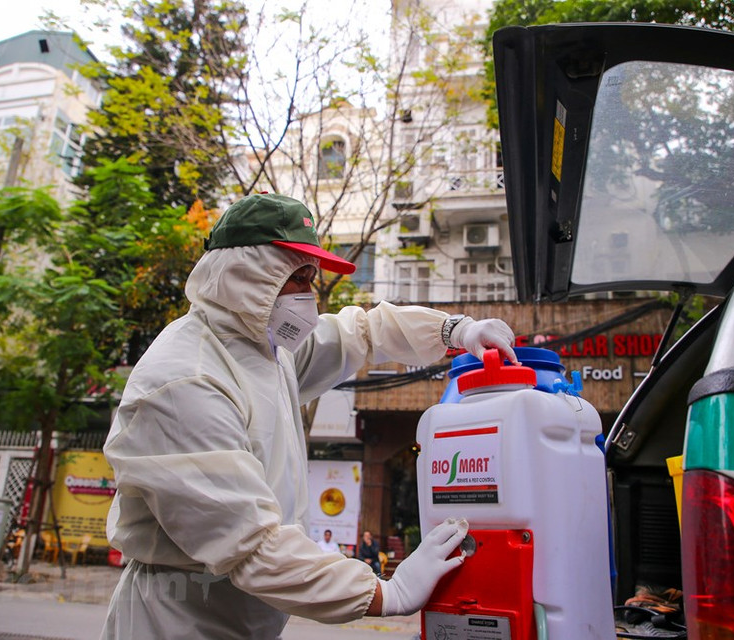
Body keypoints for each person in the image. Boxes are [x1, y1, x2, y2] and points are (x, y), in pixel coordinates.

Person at [100, 193, 518, 639]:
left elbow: (363, 331)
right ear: (245, 275)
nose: (308, 295)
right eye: (295, 277)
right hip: (177, 621)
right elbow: (252, 548)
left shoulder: (265, 351)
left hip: (242, 620)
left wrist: (455, 330)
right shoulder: (187, 381)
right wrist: (386, 594)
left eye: (310, 278)